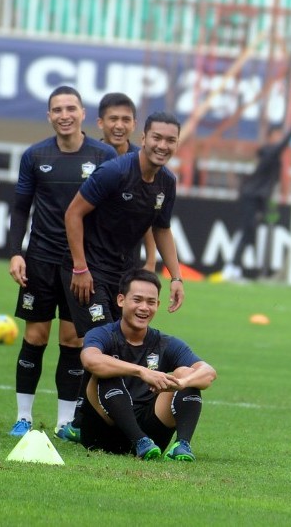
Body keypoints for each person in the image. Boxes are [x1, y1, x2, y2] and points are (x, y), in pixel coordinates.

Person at [63, 111, 188, 439]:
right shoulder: (115, 171)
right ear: (143, 139)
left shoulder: (166, 183)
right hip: (87, 269)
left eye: (170, 140)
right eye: (157, 138)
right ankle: (82, 423)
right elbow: (73, 213)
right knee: (101, 346)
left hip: (123, 274)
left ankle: (89, 420)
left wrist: (175, 276)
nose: (163, 145)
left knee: (117, 345)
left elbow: (161, 228)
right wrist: (79, 267)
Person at [6, 86, 117, 439]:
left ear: (83, 113)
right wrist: (15, 252)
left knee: (72, 341)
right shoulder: (34, 155)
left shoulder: (104, 155)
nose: (64, 115)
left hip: (80, 265)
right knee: (35, 337)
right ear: (49, 116)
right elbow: (20, 208)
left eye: (71, 108)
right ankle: (23, 417)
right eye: (57, 110)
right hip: (39, 260)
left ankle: (65, 422)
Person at [79, 268, 217, 460]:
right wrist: (141, 371)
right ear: (121, 300)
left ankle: (183, 445)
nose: (144, 307)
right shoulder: (102, 334)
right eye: (137, 300)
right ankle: (138, 440)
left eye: (151, 302)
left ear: (157, 305)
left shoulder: (165, 342)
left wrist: (182, 383)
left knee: (186, 373)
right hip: (104, 433)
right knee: (104, 371)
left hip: (152, 437)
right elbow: (90, 360)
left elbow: (208, 372)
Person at [222, 120, 291, 281]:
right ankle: (232, 267)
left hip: (258, 198)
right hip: (251, 196)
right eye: (277, 135)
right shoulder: (269, 151)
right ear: (270, 136)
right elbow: (282, 146)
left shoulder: (270, 153)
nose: (280, 138)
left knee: (250, 232)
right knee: (247, 231)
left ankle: (237, 268)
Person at [96, 91, 157, 272]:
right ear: (100, 122)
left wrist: (151, 261)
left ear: (134, 124)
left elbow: (146, 215)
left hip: (128, 262)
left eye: (125, 120)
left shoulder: (143, 161)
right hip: (90, 260)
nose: (119, 126)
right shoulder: (89, 157)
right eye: (113, 119)